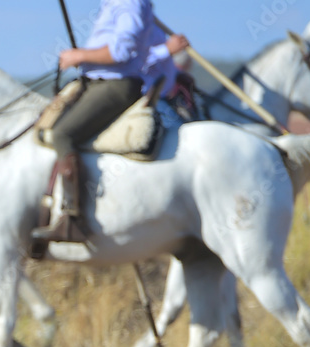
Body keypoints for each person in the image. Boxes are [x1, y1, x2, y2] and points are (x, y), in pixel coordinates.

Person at [31, 2, 190, 245]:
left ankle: (73, 219)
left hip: (115, 84)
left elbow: (121, 52)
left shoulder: (128, 2)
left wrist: (80, 55)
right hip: (98, 81)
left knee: (63, 134)